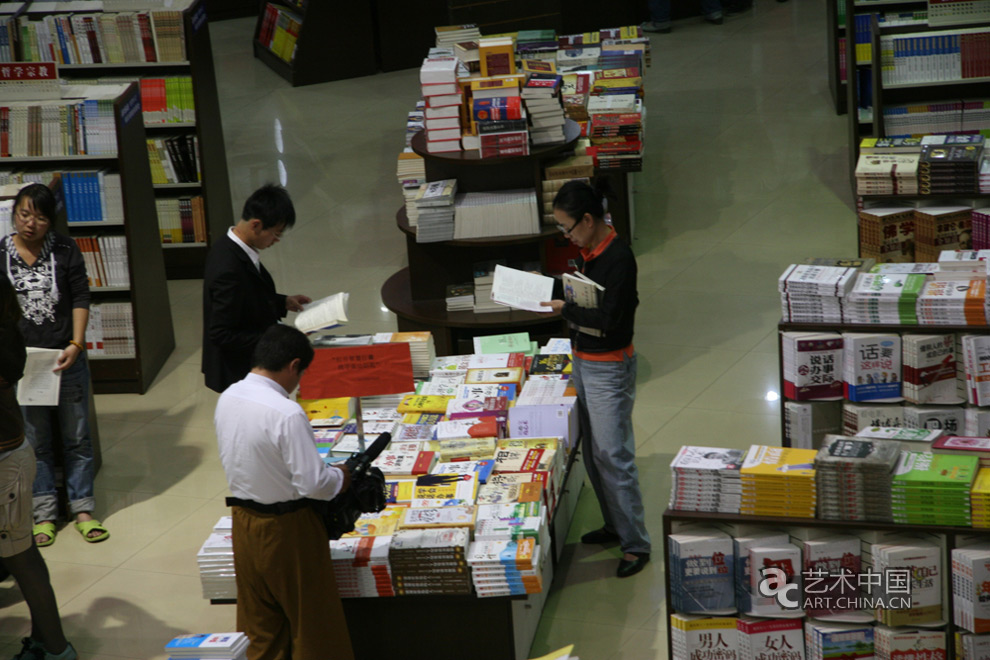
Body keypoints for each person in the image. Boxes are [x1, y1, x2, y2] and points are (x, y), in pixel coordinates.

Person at [215, 323, 354, 659]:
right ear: (294, 365)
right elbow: (314, 485)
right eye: (301, 373)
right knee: (313, 625)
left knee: (260, 627)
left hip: (244, 523)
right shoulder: (287, 413)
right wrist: (342, 477)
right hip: (288, 530)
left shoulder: (228, 396)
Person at [540, 180, 651, 578]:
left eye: (567, 229)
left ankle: (636, 544)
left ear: (588, 220)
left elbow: (610, 320)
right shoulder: (590, 250)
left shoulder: (619, 258)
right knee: (593, 452)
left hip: (608, 366)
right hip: (583, 360)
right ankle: (613, 524)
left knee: (613, 456)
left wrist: (564, 309)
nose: (566, 238)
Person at [1, 183, 106, 548]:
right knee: (36, 441)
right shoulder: (1, 252)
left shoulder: (64, 248)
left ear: (51, 221)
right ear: (14, 214)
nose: (31, 223)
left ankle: (82, 509)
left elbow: (80, 295)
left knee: (77, 437)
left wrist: (76, 344)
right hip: (24, 365)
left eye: (41, 217)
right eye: (24, 214)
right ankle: (44, 511)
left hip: (65, 357)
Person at [0, 260, 78, 660]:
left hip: (5, 463)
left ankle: (55, 648)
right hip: (10, 457)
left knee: (22, 557)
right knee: (21, 555)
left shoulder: (2, 335)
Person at [202, 184, 311, 393]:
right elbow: (221, 334)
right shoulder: (228, 268)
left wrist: (283, 302)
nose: (276, 240)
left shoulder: (230, 246)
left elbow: (247, 296)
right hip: (239, 371)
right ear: (256, 225)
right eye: (276, 233)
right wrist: (276, 339)